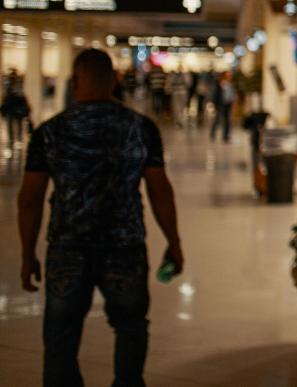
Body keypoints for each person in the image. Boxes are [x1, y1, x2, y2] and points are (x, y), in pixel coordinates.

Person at [17, 49, 183, 387]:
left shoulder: (49, 132)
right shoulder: (140, 128)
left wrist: (27, 254)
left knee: (60, 339)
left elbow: (30, 199)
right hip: (124, 248)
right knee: (130, 328)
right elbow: (160, 191)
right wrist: (174, 242)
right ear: (114, 81)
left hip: (67, 249)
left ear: (75, 82)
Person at [1, 70, 32, 147]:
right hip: (13, 109)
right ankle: (15, 141)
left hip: (14, 109)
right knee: (14, 126)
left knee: (14, 126)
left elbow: (6, 99)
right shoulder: (11, 86)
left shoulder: (12, 86)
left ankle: (15, 141)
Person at [209, 71, 234, 143]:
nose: (230, 76)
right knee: (217, 119)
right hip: (220, 104)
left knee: (227, 120)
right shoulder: (219, 84)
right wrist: (214, 105)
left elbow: (231, 94)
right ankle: (213, 134)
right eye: (228, 75)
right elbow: (215, 95)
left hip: (228, 104)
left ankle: (225, 136)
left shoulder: (230, 84)